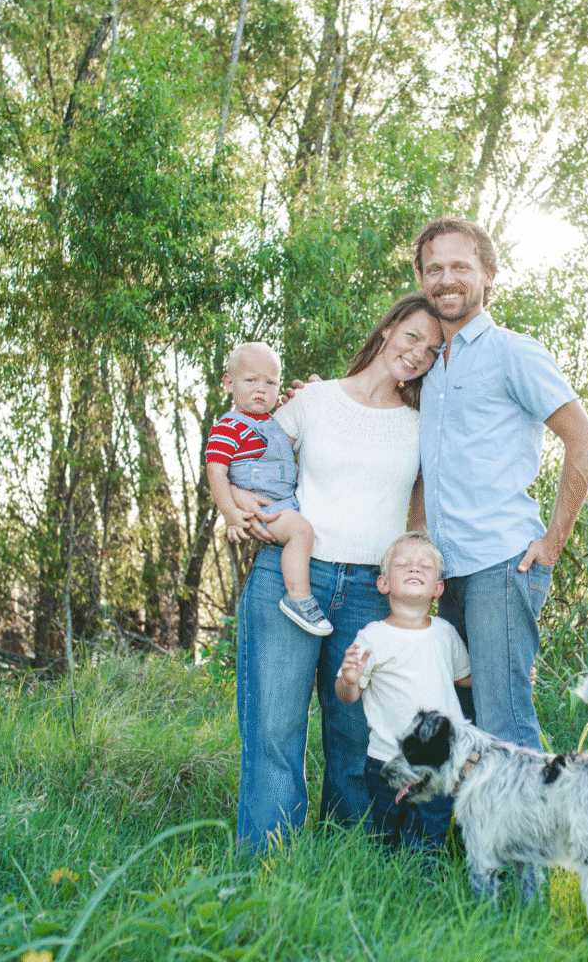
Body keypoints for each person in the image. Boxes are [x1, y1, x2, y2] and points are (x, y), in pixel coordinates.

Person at [227, 292, 444, 852]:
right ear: (389, 327)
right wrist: (238, 507)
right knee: (274, 728)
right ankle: (267, 864)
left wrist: (413, 577)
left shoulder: (423, 424)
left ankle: (347, 863)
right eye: (412, 335)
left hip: (373, 591)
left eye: (433, 348)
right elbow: (245, 448)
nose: (418, 352)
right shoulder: (314, 400)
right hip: (292, 576)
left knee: (355, 733)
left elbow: (417, 512)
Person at [413, 215, 588, 752]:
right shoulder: (429, 366)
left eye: (459, 266)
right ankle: (478, 838)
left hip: (500, 563)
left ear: (489, 274)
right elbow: (428, 465)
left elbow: (584, 442)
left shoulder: (515, 352)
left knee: (507, 728)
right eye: (434, 269)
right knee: (462, 725)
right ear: (423, 281)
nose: (446, 279)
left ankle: (533, 840)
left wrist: (552, 544)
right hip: (447, 573)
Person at [335, 531, 470, 853]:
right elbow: (347, 695)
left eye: (425, 566)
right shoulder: (372, 637)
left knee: (428, 840)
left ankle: (424, 890)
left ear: (438, 588)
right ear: (383, 584)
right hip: (386, 761)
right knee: (389, 841)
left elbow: (464, 678)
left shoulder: (445, 633)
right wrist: (350, 679)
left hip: (438, 763)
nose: (414, 569)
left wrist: (513, 675)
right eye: (403, 564)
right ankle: (390, 891)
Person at [206, 342, 332, 636]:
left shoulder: (274, 422)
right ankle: (299, 598)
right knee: (301, 532)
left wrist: (310, 395)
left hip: (285, 500)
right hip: (267, 507)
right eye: (250, 380)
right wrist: (231, 514)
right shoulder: (228, 427)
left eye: (270, 382)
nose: (260, 389)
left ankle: (298, 593)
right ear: (228, 383)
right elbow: (216, 470)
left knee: (302, 531)